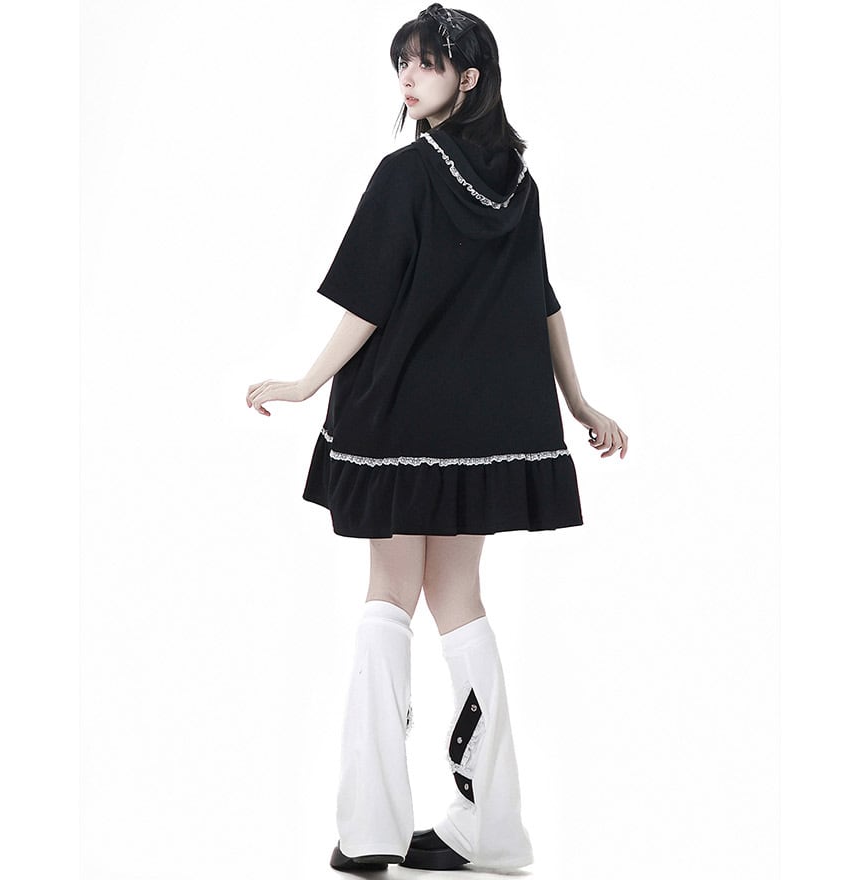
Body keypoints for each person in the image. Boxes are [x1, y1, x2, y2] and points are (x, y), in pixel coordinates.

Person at [246, 3, 628, 873]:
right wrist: (577, 402)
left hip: (396, 417)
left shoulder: (406, 173)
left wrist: (307, 382)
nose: (407, 79)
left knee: (388, 595)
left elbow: (369, 299)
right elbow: (541, 302)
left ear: (469, 77)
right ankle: (490, 829)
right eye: (402, 64)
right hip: (485, 427)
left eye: (424, 63)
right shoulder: (518, 185)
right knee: (461, 600)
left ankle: (370, 829)